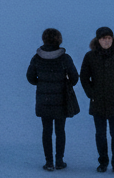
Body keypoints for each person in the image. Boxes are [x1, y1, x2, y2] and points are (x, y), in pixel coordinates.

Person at [79, 26, 114, 173]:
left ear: (113, 39)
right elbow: (83, 77)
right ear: (98, 40)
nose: (106, 41)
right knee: (100, 135)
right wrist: (91, 93)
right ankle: (103, 162)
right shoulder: (90, 57)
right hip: (98, 102)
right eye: (103, 38)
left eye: (109, 38)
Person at [27, 27, 80, 170]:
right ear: (59, 39)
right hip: (61, 99)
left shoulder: (37, 57)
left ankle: (49, 162)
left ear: (44, 39)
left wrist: (42, 83)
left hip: (44, 100)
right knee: (60, 130)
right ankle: (59, 161)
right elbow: (75, 78)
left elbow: (30, 78)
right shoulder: (64, 58)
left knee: (46, 131)